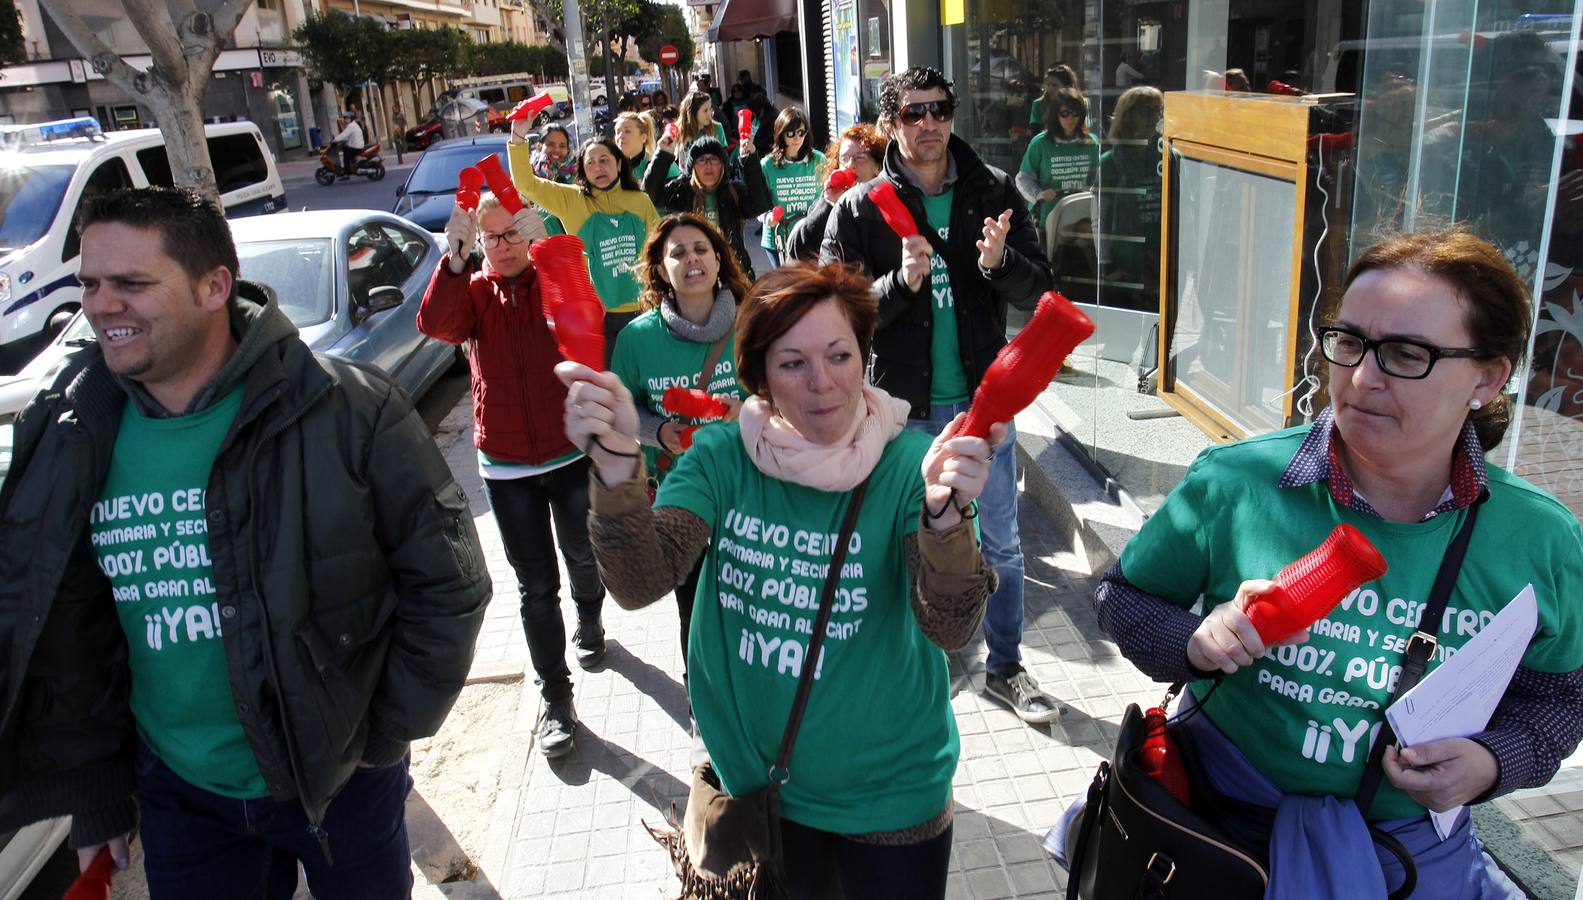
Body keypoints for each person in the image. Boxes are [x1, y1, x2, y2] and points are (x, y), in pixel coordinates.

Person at [0, 187, 491, 896]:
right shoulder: (74, 431)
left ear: (214, 287)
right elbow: (74, 634)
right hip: (179, 796)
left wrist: (380, 740)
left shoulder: (347, 408)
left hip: (342, 782)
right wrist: (98, 789)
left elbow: (449, 585)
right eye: (91, 284)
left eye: (131, 284)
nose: (102, 305)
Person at [1065, 229, 1583, 896]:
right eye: (1350, 343)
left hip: (1406, 858)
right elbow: (1123, 599)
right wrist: (1195, 642)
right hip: (1213, 836)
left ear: (1485, 377)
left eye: (1406, 354)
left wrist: (1490, 761)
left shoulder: (1537, 537)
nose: (1362, 379)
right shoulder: (1237, 481)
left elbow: (1559, 699)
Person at [563, 262, 1001, 899]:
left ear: (864, 357)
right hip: (761, 795)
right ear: (760, 378)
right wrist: (615, 468)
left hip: (891, 800)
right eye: (793, 363)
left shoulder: (914, 469)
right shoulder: (722, 458)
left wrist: (944, 520)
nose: (823, 384)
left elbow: (951, 626)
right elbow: (639, 581)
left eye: (840, 355)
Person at [820, 66, 1061, 725]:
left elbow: (1040, 292)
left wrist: (997, 265)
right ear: (891, 123)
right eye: (912, 113)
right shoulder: (859, 208)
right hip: (901, 412)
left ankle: (1004, 668)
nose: (928, 124)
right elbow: (832, 319)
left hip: (983, 408)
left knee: (1002, 545)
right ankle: (919, 670)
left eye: (939, 110)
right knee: (908, 543)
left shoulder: (993, 191)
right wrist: (899, 285)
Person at [418, 192, 604, 760]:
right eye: (489, 237)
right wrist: (453, 261)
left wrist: (547, 244)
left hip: (568, 452)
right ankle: (556, 699)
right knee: (534, 586)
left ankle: (592, 618)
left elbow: (586, 313)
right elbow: (436, 324)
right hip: (504, 464)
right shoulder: (472, 290)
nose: (500, 246)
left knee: (581, 552)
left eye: (510, 234)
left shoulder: (552, 275)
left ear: (527, 231)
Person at [609, 213, 752, 674]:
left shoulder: (755, 321)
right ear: (660, 270)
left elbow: (788, 395)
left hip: (749, 491)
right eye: (678, 253)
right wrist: (657, 432)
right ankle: (701, 708)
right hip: (678, 497)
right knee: (693, 608)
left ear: (717, 259)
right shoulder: (637, 339)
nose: (691, 259)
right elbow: (621, 409)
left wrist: (745, 410)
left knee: (753, 606)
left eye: (700, 249)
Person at [509, 127, 660, 346]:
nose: (598, 167)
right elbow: (526, 184)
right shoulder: (571, 200)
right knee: (607, 380)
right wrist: (518, 135)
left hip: (643, 309)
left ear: (618, 164)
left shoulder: (640, 201)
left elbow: (660, 245)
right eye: (590, 162)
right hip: (595, 316)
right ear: (583, 170)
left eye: (604, 160)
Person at [646, 131, 772, 281]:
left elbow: (760, 204)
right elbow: (653, 195)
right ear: (692, 167)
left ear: (723, 166)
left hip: (732, 274)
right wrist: (663, 154)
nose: (708, 165)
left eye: (714, 159)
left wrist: (749, 159)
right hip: (693, 273)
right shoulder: (681, 192)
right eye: (701, 160)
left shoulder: (733, 192)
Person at [1096, 85, 1163, 311]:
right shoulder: (1110, 163)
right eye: (1146, 111)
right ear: (1128, 116)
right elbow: (1101, 219)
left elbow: (1186, 212)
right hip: (1125, 266)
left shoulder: (1168, 160)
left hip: (1163, 261)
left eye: (1158, 110)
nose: (1155, 118)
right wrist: (1106, 265)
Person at [784, 123, 886, 262]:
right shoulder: (826, 202)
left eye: (859, 158)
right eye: (844, 159)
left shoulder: (887, 204)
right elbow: (799, 251)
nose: (850, 165)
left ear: (878, 167)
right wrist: (829, 206)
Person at [1017, 86, 1100, 232]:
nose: (1070, 119)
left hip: (1083, 216)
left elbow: (1098, 179)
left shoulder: (1091, 142)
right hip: (1047, 220)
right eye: (1065, 113)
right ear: (1056, 115)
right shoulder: (1041, 143)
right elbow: (1023, 178)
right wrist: (1039, 194)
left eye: (1075, 113)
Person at [759, 107, 827, 267]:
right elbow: (760, 204)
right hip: (778, 240)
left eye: (801, 133)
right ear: (780, 134)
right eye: (790, 133)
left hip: (811, 238)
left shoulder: (819, 160)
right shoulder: (767, 165)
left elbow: (827, 196)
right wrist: (767, 217)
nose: (796, 138)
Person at [614, 111, 678, 187]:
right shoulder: (611, 167)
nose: (621, 136)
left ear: (643, 137)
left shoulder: (661, 162)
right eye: (618, 132)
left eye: (627, 131)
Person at [676, 91, 729, 171]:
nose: (709, 113)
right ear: (693, 113)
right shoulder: (680, 130)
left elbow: (724, 159)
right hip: (687, 179)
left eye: (710, 109)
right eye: (705, 110)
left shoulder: (717, 127)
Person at [1027, 63, 1079, 129]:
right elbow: (1035, 132)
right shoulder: (1039, 104)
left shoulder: (1079, 103)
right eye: (1048, 85)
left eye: (1055, 85)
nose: (1050, 89)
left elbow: (1085, 129)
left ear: (1067, 87)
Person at [333, 111, 365, 177]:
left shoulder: (351, 126)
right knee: (345, 148)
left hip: (356, 147)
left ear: (351, 119)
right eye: (344, 118)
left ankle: (347, 172)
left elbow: (343, 135)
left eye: (347, 118)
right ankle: (347, 169)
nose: (345, 120)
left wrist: (335, 140)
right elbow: (347, 136)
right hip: (356, 145)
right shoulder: (353, 125)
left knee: (346, 158)